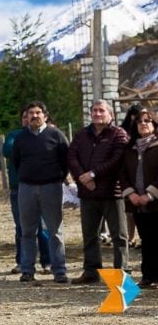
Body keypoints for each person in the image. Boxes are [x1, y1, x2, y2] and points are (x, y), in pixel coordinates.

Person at [67, 99, 129, 284]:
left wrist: (93, 174)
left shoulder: (119, 134)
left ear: (111, 114)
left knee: (119, 236)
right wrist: (83, 178)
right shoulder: (81, 135)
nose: (97, 114)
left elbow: (117, 159)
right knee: (90, 235)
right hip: (88, 194)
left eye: (101, 110)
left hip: (112, 193)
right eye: (94, 110)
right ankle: (91, 271)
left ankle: (122, 274)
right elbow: (71, 157)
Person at [13, 101, 70, 283]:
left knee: (54, 230)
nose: (35, 116)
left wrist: (58, 178)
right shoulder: (21, 138)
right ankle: (27, 270)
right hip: (27, 188)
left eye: (38, 112)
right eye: (31, 113)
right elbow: (16, 161)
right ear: (27, 117)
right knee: (27, 231)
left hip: (51, 187)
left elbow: (65, 160)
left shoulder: (56, 135)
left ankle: (59, 270)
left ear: (45, 116)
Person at [2, 109, 51, 274]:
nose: (29, 118)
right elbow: (7, 150)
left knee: (43, 227)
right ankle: (23, 262)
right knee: (22, 227)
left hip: (43, 186)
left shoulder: (47, 134)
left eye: (32, 115)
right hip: (19, 187)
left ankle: (47, 261)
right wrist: (26, 141)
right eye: (25, 116)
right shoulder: (14, 135)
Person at [120, 108, 158, 289]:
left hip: (155, 202)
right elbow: (123, 174)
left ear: (154, 125)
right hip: (137, 204)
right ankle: (148, 275)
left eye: (147, 121)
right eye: (140, 121)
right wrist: (132, 194)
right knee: (146, 240)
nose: (143, 124)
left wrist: (149, 194)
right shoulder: (129, 149)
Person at [121, 103, 145, 249]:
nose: (142, 121)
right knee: (130, 212)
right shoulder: (124, 134)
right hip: (131, 180)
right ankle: (130, 238)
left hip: (148, 181)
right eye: (139, 117)